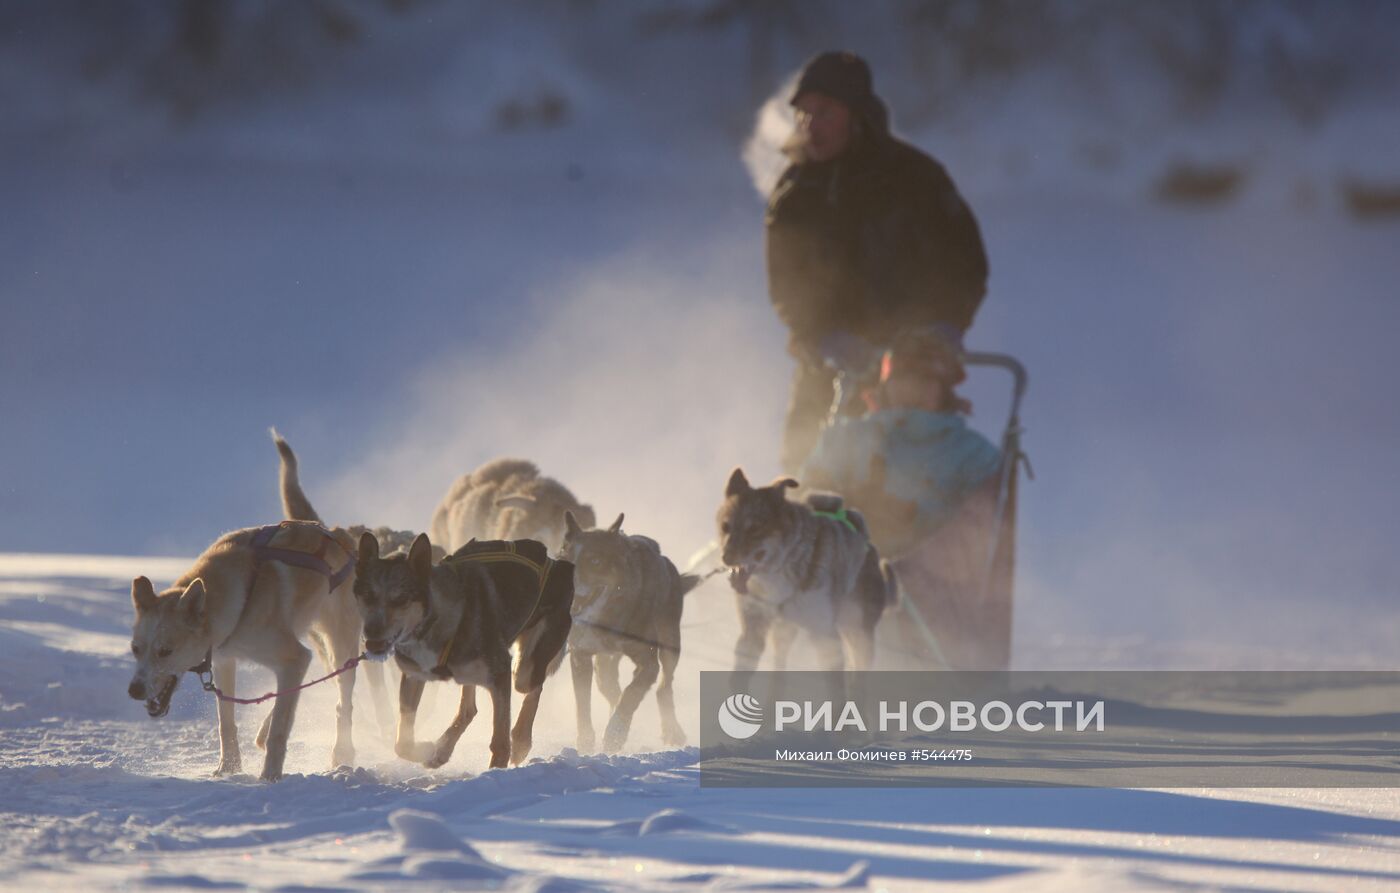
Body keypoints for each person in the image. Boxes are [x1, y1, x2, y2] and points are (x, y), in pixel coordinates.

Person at [766, 50, 989, 473]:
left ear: (857, 115)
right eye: (804, 113)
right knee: (803, 474)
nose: (811, 125)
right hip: (828, 367)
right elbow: (786, 286)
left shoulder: (916, 178)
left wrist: (943, 327)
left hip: (912, 367)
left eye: (825, 112)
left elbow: (966, 264)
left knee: (904, 485)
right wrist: (819, 336)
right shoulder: (795, 193)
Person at [800, 329, 1000, 557]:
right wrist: (845, 508)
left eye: (925, 379)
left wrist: (912, 516)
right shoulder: (846, 437)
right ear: (886, 384)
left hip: (923, 582)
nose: (912, 388)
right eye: (903, 377)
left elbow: (978, 532)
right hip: (833, 569)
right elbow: (806, 497)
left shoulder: (975, 454)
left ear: (943, 389)